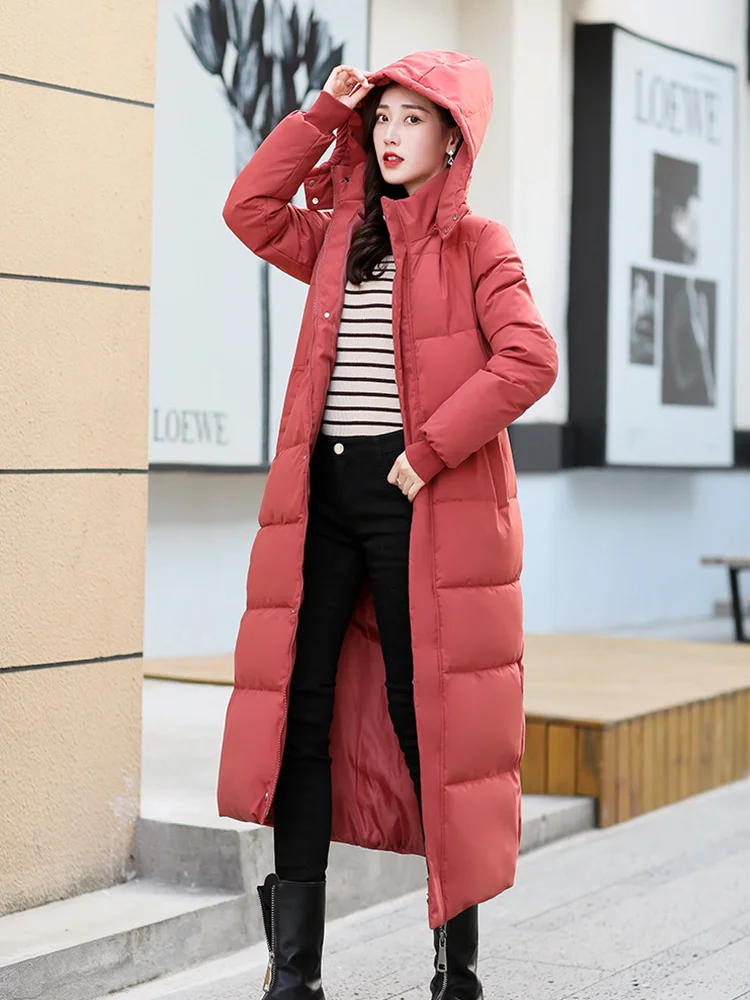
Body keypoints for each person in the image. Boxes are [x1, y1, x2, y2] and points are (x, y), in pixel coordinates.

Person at [217, 50, 558, 1000]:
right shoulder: (339, 235)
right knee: (301, 718)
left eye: (414, 118)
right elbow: (249, 209)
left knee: (430, 724)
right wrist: (325, 113)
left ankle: (458, 973)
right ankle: (294, 977)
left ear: (453, 139)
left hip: (416, 500)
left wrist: (430, 448)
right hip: (321, 501)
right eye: (384, 118)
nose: (392, 133)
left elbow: (530, 358)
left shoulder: (479, 243)